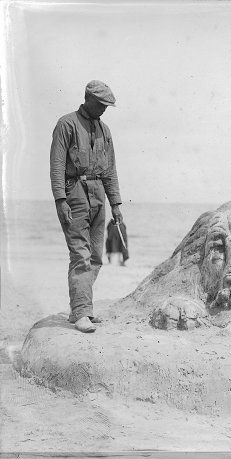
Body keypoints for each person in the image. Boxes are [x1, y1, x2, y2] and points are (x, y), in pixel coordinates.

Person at [50, 80, 123, 333]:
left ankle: (82, 309)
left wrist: (116, 204)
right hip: (74, 195)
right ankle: (81, 312)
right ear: (87, 99)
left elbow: (111, 170)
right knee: (80, 256)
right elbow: (57, 164)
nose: (104, 109)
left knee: (94, 256)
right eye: (101, 104)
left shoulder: (106, 131)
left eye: (107, 106)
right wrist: (60, 200)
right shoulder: (66, 124)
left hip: (99, 196)